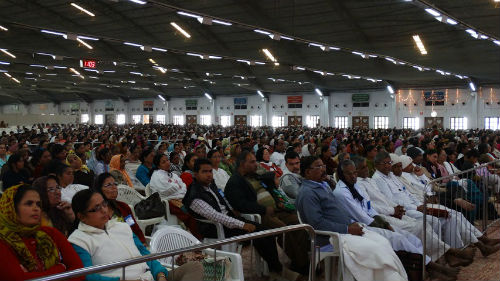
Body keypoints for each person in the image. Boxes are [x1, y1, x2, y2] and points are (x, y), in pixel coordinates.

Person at [183, 158, 302, 281]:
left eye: (210, 171)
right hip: (216, 228)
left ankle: (275, 270)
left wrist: (235, 213)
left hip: (230, 221)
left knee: (266, 232)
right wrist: (241, 224)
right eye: (204, 172)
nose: (209, 175)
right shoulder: (194, 196)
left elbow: (223, 202)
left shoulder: (209, 185)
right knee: (261, 233)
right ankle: (277, 271)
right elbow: (217, 216)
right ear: (195, 174)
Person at [296, 156, 408, 281]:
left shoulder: (322, 185)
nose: (323, 169)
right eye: (319, 166)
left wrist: (352, 223)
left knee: (383, 242)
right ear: (307, 172)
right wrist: (347, 228)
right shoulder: (307, 193)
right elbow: (316, 224)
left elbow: (336, 211)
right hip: (330, 237)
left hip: (345, 230)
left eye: (323, 166)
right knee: (374, 250)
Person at [68, 189, 203, 281]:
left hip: (150, 276)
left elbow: (145, 253)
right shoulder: (79, 240)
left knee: (195, 267)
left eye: (104, 204)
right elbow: (86, 276)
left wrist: (160, 274)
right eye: (96, 208)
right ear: (82, 216)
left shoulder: (121, 226)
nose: (104, 210)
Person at [225, 150, 310, 275]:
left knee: (298, 223)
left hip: (275, 210)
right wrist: (263, 209)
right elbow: (241, 205)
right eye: (252, 162)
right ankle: (300, 265)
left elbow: (271, 187)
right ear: (243, 164)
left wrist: (277, 202)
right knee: (283, 229)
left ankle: (299, 261)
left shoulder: (256, 176)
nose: (256, 164)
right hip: (259, 216)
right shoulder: (235, 182)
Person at [0, 184, 83, 281]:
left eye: (38, 204)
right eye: (29, 203)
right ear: (11, 208)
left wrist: (34, 275)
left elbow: (79, 272)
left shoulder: (50, 233)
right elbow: (18, 279)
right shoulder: (3, 240)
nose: (36, 208)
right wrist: (61, 268)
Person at [149, 154, 201, 239]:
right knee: (189, 213)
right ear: (158, 165)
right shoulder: (157, 175)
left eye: (167, 160)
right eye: (163, 162)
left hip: (179, 197)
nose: (167, 163)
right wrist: (178, 187)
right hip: (167, 201)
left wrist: (177, 188)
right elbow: (165, 190)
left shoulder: (173, 174)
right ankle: (195, 237)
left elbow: (183, 186)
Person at [94, 173, 146, 244]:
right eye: (109, 185)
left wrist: (142, 242)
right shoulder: (96, 212)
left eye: (115, 184)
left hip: (130, 243)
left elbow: (133, 226)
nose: (114, 187)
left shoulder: (123, 207)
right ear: (99, 189)